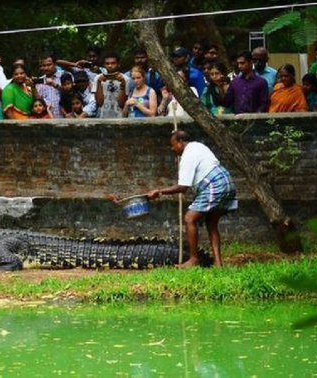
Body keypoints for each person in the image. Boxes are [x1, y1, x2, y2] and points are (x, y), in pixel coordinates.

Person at [147, 130, 237, 268]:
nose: (172, 149)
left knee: (190, 218)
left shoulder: (188, 155)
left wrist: (159, 191)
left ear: (180, 142)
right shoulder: (198, 146)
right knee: (211, 223)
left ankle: (194, 259)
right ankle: (219, 264)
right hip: (227, 182)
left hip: (215, 184)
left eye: (173, 145)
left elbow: (183, 187)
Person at [93, 51, 130, 118]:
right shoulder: (98, 78)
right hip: (102, 116)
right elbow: (99, 103)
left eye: (113, 63)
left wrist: (123, 83)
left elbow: (121, 103)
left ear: (118, 64)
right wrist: (99, 83)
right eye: (107, 63)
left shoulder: (125, 79)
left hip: (120, 117)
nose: (110, 66)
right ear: (104, 65)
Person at [35, 53, 64, 118]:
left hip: (66, 118)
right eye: (44, 65)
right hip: (47, 120)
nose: (46, 68)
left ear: (55, 64)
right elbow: (38, 100)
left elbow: (70, 93)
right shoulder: (39, 81)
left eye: (49, 65)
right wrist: (32, 86)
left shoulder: (64, 76)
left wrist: (55, 85)